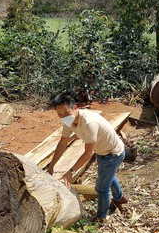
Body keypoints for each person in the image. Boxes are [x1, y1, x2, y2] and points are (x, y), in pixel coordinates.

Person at [47, 92, 129, 222]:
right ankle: (120, 198)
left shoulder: (89, 123)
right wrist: (51, 166)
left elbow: (88, 153)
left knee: (101, 188)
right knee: (108, 176)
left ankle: (101, 218)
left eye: (66, 113)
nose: (63, 117)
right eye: (60, 115)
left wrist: (71, 172)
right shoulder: (69, 121)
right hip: (102, 152)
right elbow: (63, 143)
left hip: (113, 154)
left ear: (75, 108)